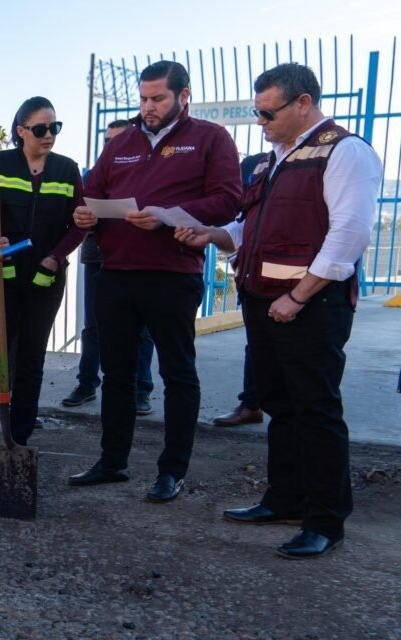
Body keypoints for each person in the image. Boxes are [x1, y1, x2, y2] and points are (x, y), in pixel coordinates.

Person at [174, 63, 382, 558]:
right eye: (256, 112)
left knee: (315, 409)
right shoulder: (271, 161)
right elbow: (250, 232)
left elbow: (348, 237)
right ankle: (285, 499)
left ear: (303, 103)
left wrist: (299, 295)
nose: (260, 121)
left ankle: (325, 520)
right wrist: (214, 236)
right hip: (264, 300)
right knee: (279, 405)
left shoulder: (344, 152)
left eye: (267, 112)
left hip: (311, 304)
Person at [70, 60, 242, 503]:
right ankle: (112, 461)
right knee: (118, 374)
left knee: (177, 373)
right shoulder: (122, 143)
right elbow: (94, 192)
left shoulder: (210, 138)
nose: (147, 107)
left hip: (172, 275)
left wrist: (167, 216)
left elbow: (228, 200)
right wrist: (87, 214)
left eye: (158, 98)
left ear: (184, 96)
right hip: (116, 274)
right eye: (143, 99)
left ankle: (172, 471)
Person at [0, 98, 86, 473]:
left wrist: (55, 257)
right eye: (41, 129)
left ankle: (20, 443)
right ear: (21, 131)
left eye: (55, 128)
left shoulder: (66, 170)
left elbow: (78, 222)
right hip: (1, 279)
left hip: (44, 281)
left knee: (31, 363)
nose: (49, 136)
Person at [63, 120, 157, 416]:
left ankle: (141, 389)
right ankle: (87, 383)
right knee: (93, 325)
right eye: (107, 140)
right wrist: (84, 217)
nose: (111, 146)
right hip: (97, 257)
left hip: (135, 259)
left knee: (141, 329)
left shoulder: (147, 174)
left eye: (117, 140)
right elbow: (79, 211)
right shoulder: (93, 174)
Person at [211, 152, 270, 428]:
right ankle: (251, 404)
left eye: (269, 114)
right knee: (257, 342)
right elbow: (240, 217)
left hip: (306, 278)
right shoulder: (254, 164)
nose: (262, 121)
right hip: (254, 272)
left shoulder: (333, 153)